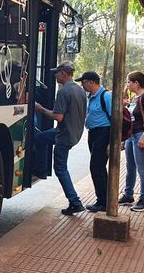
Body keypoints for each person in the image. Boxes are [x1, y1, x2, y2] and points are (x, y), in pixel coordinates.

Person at [33, 61, 87, 215]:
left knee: (60, 168)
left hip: (64, 135)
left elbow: (58, 116)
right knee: (40, 138)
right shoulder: (80, 90)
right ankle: (40, 167)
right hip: (73, 132)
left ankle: (75, 202)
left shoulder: (63, 92)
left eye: (57, 72)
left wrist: (40, 109)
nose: (55, 75)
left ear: (64, 73)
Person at [118, 72, 144, 212]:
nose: (128, 85)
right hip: (132, 136)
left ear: (137, 83)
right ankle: (129, 195)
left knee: (142, 169)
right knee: (130, 167)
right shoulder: (136, 97)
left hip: (140, 135)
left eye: (129, 82)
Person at [76, 71, 112, 212]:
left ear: (91, 82)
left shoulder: (106, 96)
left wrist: (113, 141)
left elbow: (114, 118)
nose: (82, 85)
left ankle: (102, 201)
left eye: (83, 82)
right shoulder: (91, 96)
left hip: (103, 133)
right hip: (93, 134)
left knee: (96, 167)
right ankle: (105, 199)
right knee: (99, 168)